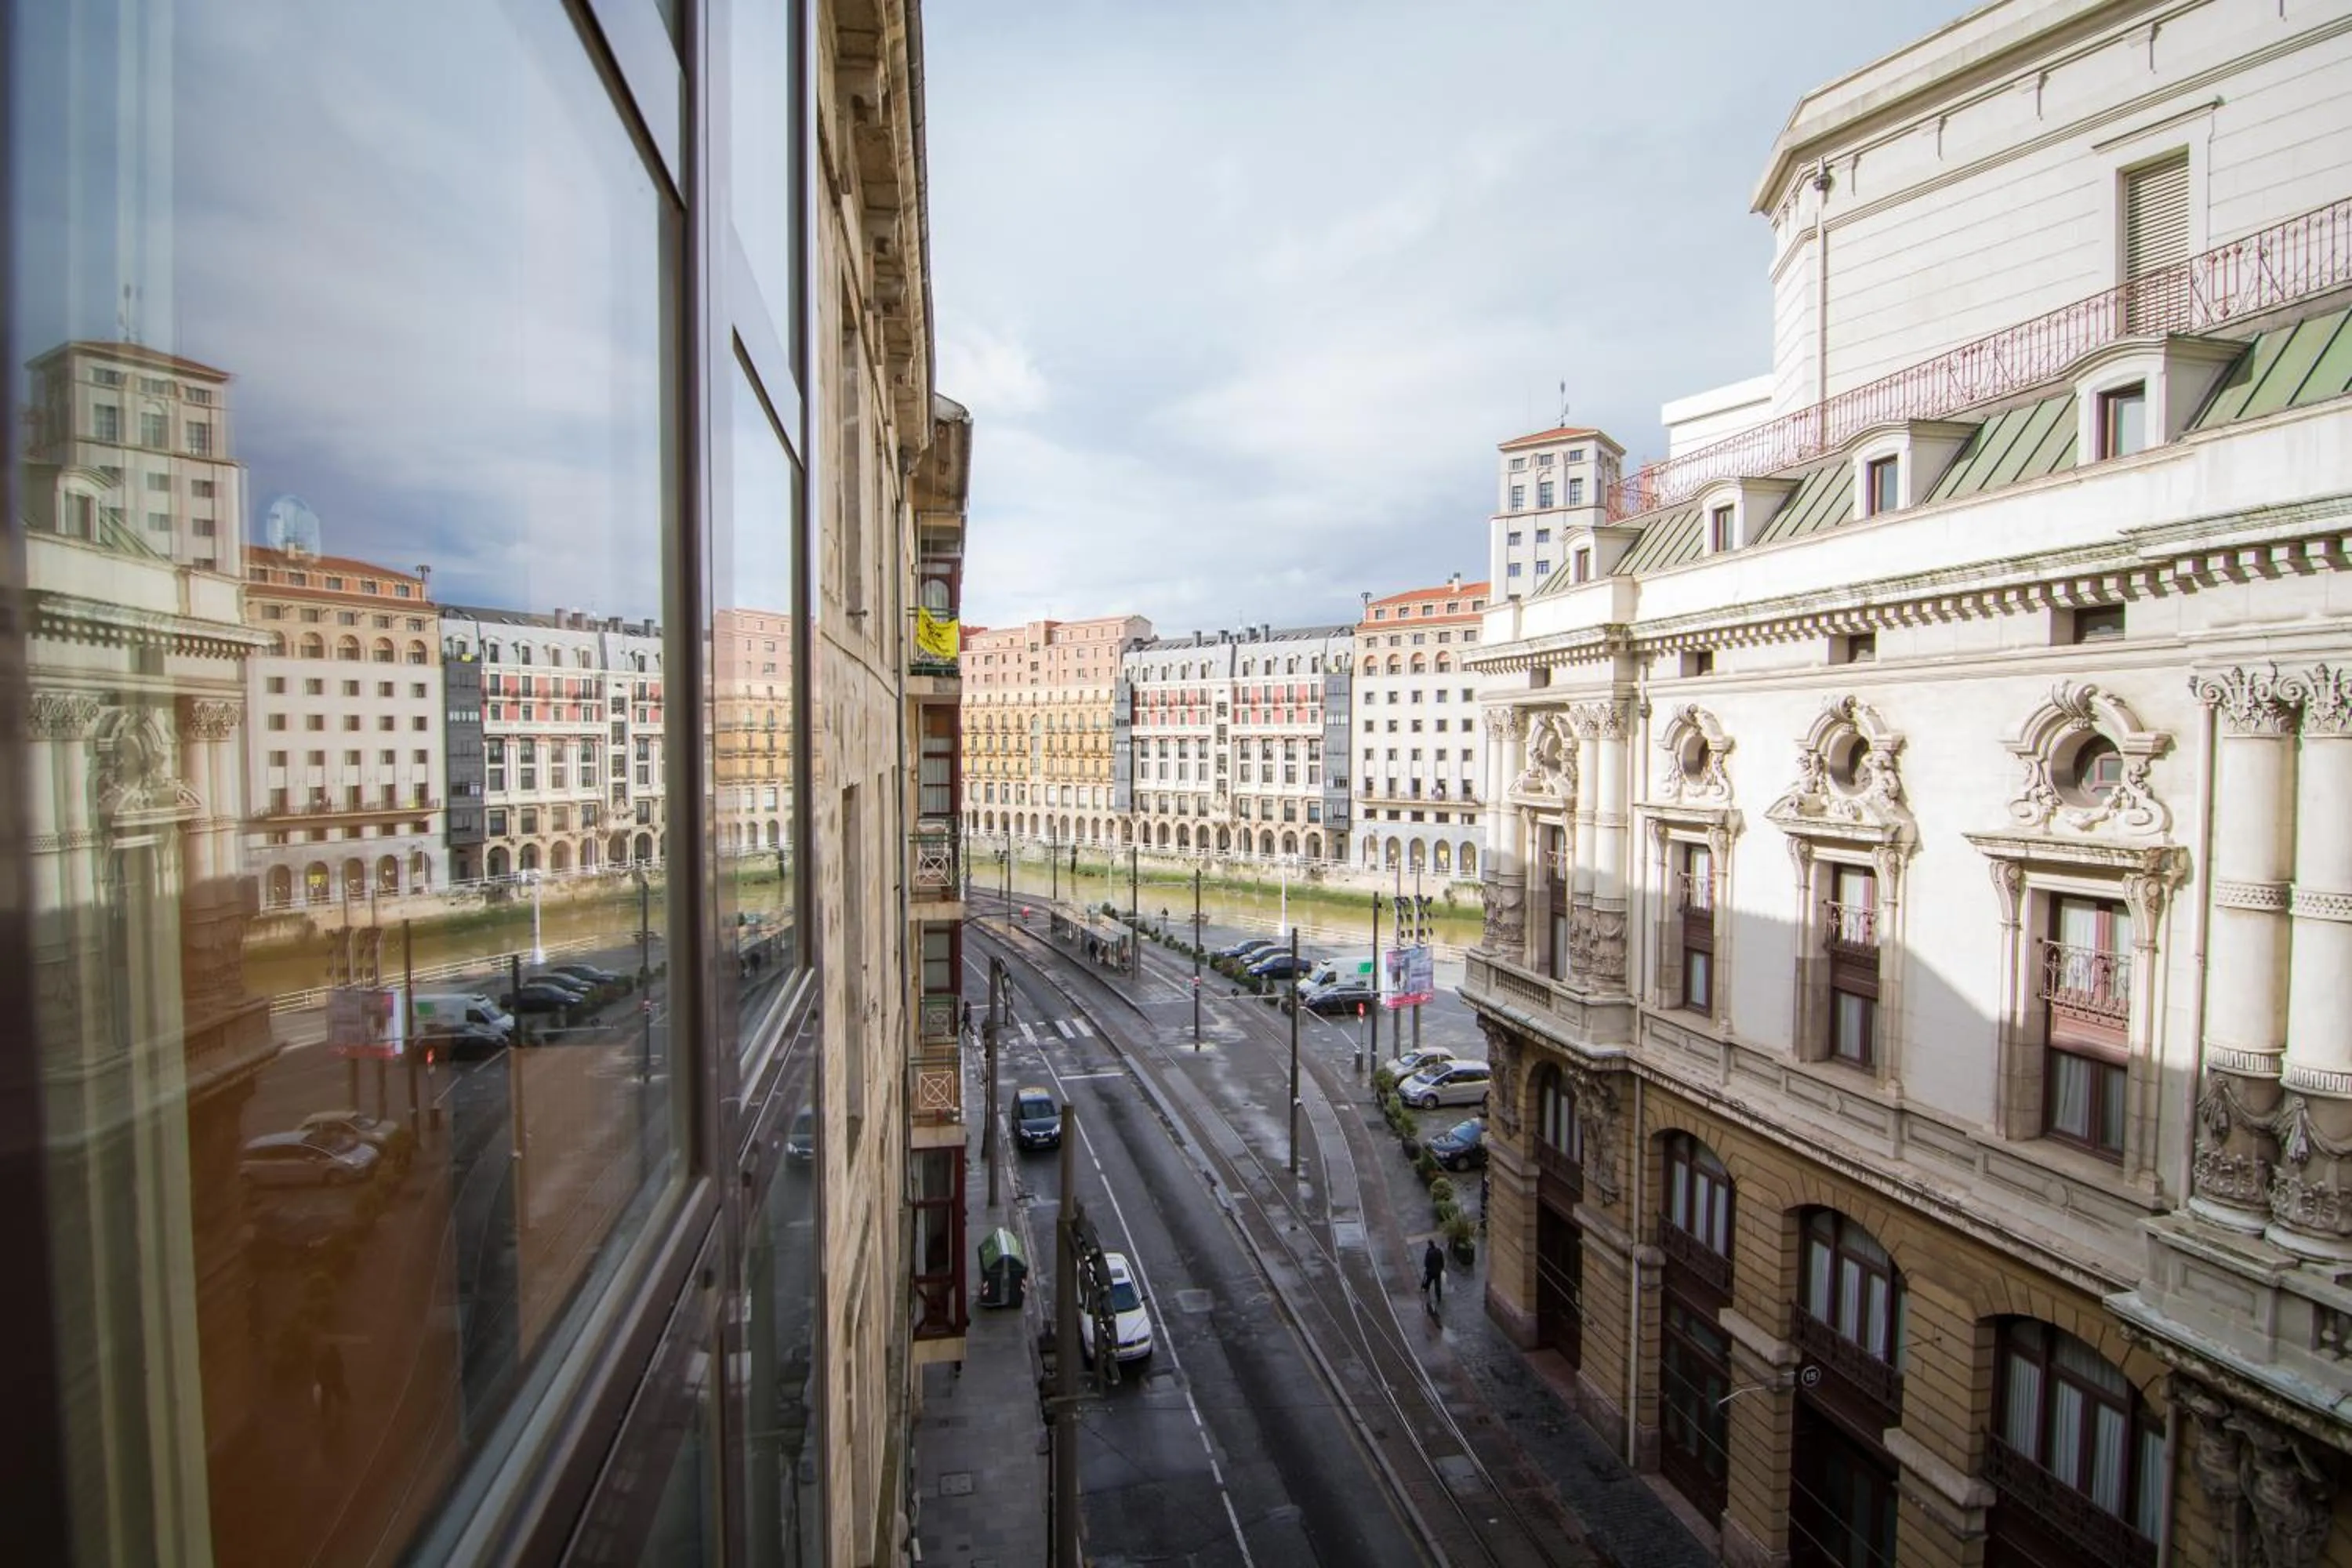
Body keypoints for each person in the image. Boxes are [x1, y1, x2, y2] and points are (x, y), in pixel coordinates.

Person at [1421, 1238, 1446, 1310]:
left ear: (1429, 1245)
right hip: (1438, 1271)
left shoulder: (1429, 1252)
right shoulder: (1439, 1251)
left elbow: (1426, 1262)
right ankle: (1439, 1297)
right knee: (1437, 1284)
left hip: (1431, 1271)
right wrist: (1441, 1267)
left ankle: (1426, 1288)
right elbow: (1442, 1260)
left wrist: (1427, 1268)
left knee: (1428, 1280)